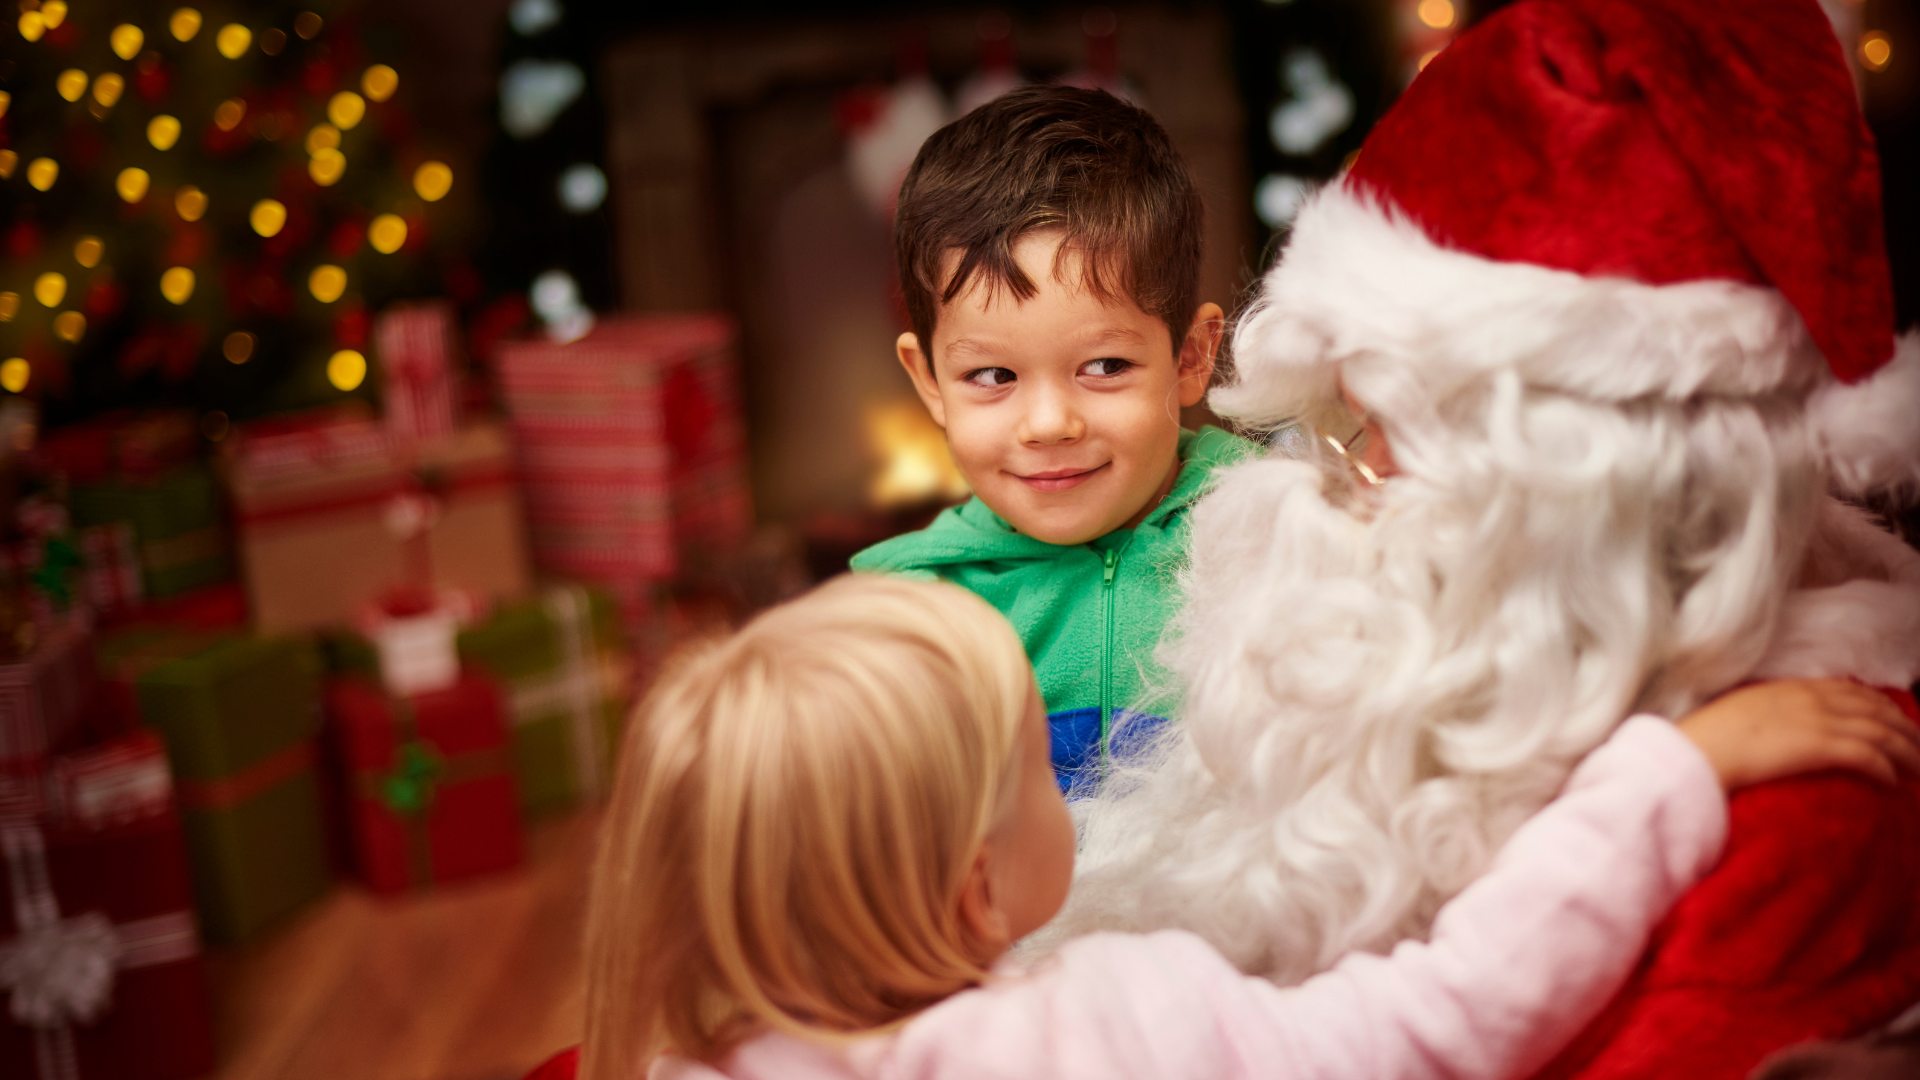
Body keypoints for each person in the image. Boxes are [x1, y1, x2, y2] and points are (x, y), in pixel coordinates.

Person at [1054, 0, 1920, 1074]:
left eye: (1383, 436)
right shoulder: (1511, 698)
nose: (1340, 488)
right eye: (1338, 428)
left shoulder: (1809, 805)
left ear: (1587, 492)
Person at [575, 574, 1915, 1080]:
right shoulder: (1113, 1028)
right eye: (1041, 766)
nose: (1072, 783)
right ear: (982, 890)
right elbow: (1454, 1014)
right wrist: (1662, 771)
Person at [850, 86, 1254, 790]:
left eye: (1104, 367)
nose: (1047, 425)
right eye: (993, 375)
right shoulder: (913, 615)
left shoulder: (1270, 532)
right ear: (930, 382)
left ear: (1191, 358)